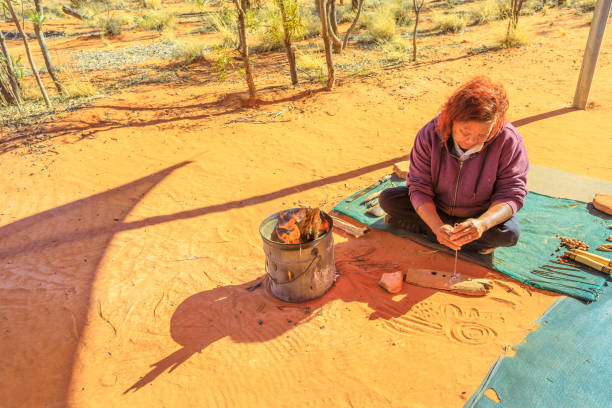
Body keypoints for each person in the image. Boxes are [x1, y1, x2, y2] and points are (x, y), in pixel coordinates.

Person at [379, 76, 529, 254]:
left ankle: (426, 230)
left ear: (495, 125)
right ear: (451, 120)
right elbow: (419, 186)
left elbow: (512, 192)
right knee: (389, 200)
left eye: (482, 135)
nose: (471, 140)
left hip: (479, 214)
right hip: (437, 207)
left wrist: (482, 224)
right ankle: (450, 237)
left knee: (509, 234)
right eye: (464, 132)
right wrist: (436, 226)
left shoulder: (509, 141)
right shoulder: (430, 134)